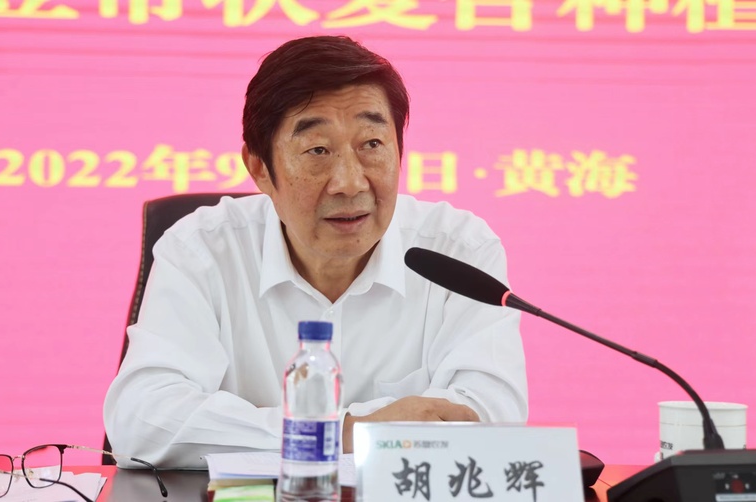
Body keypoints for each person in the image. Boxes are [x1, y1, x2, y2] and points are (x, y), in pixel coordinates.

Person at [104, 35, 528, 469]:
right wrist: (346, 432)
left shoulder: (460, 251)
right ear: (259, 168)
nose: (350, 183)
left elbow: (491, 413)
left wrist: (266, 432)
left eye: (372, 144)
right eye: (318, 151)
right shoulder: (203, 249)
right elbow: (140, 419)